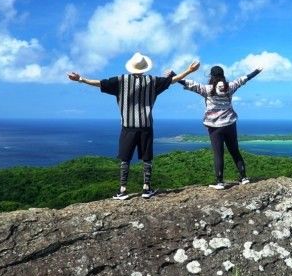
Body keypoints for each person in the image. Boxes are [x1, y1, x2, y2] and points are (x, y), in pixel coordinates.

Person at [68, 52, 199, 200]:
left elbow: (99, 83)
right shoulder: (152, 81)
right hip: (146, 125)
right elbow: (172, 80)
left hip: (127, 127)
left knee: (125, 159)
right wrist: (189, 71)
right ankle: (146, 189)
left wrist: (80, 79)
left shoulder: (121, 80)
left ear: (131, 67)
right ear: (144, 68)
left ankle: (123, 190)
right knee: (147, 158)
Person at [177, 64, 262, 189]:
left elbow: (189, 83)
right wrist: (256, 71)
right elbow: (244, 79)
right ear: (223, 75)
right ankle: (244, 177)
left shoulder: (206, 89)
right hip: (230, 124)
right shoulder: (229, 87)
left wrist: (173, 75)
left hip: (214, 126)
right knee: (235, 151)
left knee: (218, 154)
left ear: (211, 76)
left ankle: (220, 182)